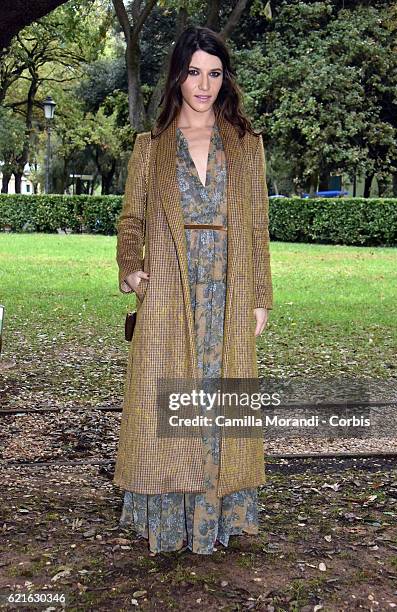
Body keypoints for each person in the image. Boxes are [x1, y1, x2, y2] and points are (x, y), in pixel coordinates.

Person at [114, 25, 273, 555]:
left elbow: (256, 226)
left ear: (224, 79)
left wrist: (261, 297)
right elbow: (131, 219)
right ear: (178, 77)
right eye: (193, 72)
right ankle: (167, 519)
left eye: (214, 73)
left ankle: (218, 517)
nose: (203, 84)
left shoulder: (247, 145)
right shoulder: (151, 147)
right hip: (169, 291)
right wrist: (131, 271)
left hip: (229, 288)